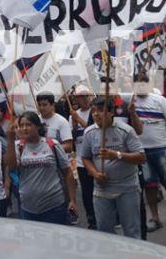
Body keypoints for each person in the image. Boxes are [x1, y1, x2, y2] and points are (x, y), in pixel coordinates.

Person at [80, 96, 146, 238]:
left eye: (100, 111)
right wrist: (95, 173)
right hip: (101, 189)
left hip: (127, 188)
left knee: (131, 229)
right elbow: (85, 157)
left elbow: (141, 157)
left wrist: (117, 155)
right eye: (93, 111)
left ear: (111, 113)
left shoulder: (126, 130)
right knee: (104, 230)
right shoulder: (89, 133)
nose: (96, 114)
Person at [4, 112, 76, 224]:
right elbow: (12, 166)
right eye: (21, 125)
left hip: (54, 206)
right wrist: (10, 139)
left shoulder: (53, 144)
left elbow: (67, 173)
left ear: (37, 126)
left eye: (28, 125)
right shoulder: (18, 147)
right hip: (27, 207)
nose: (24, 128)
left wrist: (73, 200)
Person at [128, 76, 166, 232]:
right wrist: (131, 112)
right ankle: (155, 217)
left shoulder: (160, 101)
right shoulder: (130, 102)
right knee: (149, 184)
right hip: (142, 150)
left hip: (161, 147)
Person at [69, 86, 95, 228]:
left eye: (86, 96)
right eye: (80, 97)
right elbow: (72, 139)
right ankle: (91, 218)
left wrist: (79, 120)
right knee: (86, 193)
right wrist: (73, 125)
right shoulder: (73, 115)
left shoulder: (94, 112)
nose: (83, 99)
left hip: (95, 158)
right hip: (80, 160)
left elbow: (94, 130)